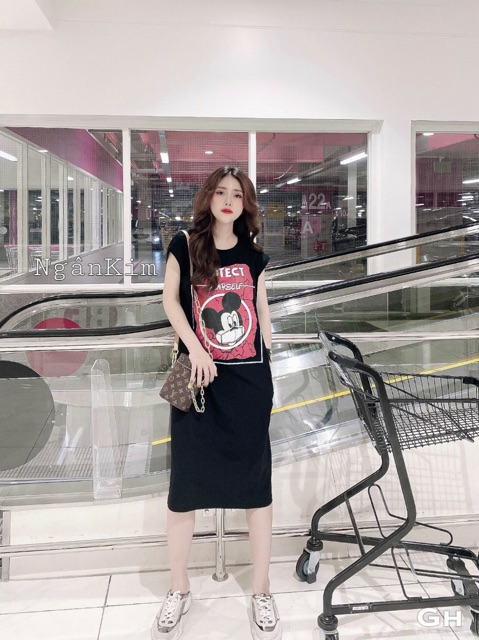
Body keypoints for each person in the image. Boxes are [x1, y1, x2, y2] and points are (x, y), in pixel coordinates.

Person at [151, 167, 281, 640]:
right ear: (208, 198)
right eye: (221, 192)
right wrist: (197, 349)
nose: (229, 200)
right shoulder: (185, 244)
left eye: (238, 195)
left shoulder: (255, 255)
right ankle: (179, 588)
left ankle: (262, 590)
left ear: (247, 204)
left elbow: (260, 308)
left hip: (248, 381)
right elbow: (170, 302)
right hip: (198, 380)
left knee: (256, 487)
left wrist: (269, 346)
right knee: (184, 489)